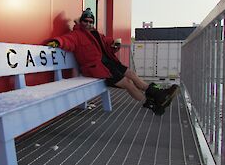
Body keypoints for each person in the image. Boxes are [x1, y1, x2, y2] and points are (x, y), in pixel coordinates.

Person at [46, 8, 178, 115]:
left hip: (109, 63)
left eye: (91, 21)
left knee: (131, 74)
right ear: (81, 22)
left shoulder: (97, 34)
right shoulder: (77, 35)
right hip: (97, 68)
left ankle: (159, 95)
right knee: (128, 83)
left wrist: (114, 45)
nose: (88, 23)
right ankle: (151, 104)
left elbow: (107, 42)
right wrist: (58, 42)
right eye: (85, 21)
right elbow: (67, 40)